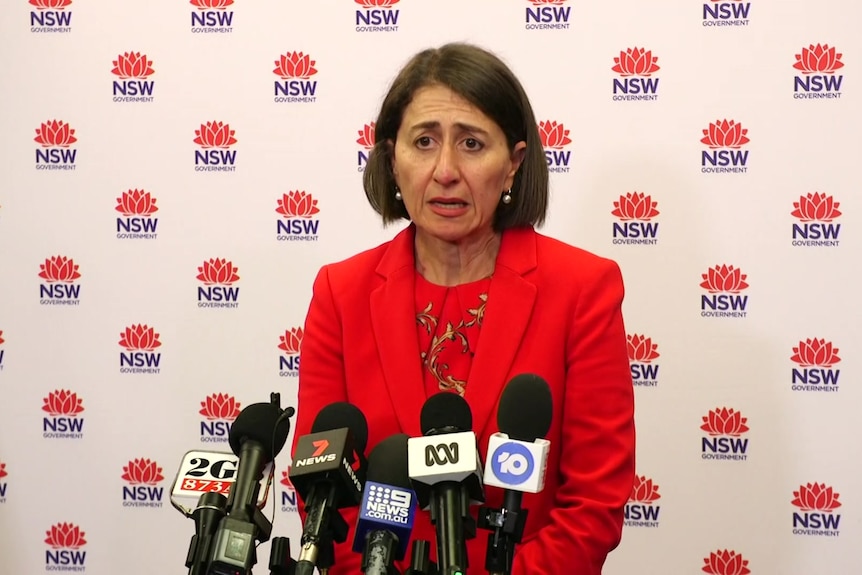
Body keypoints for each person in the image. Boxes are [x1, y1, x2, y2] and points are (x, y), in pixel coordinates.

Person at [293, 43, 635, 575]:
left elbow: (592, 507)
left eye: (472, 144)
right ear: (391, 158)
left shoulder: (582, 290)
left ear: (514, 164)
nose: (445, 170)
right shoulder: (342, 293)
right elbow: (322, 494)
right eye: (423, 141)